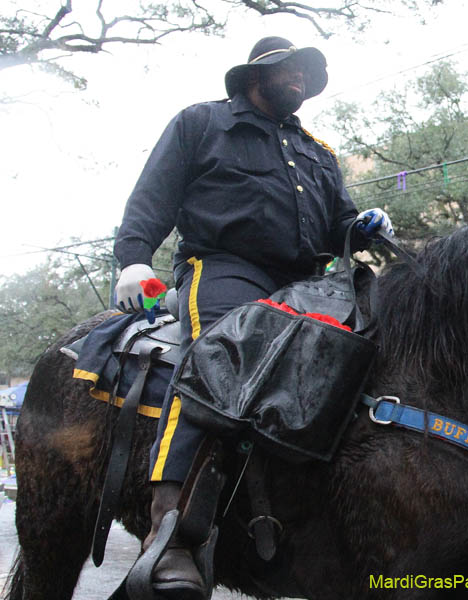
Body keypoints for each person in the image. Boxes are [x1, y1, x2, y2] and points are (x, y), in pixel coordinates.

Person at [113, 36, 392, 597]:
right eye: (291, 72)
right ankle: (172, 532)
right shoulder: (201, 123)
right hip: (225, 266)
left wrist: (361, 226)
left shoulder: (317, 151)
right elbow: (153, 197)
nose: (301, 82)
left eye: (306, 76)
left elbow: (338, 221)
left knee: (370, 350)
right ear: (254, 76)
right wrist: (134, 260)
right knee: (219, 356)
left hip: (306, 281)